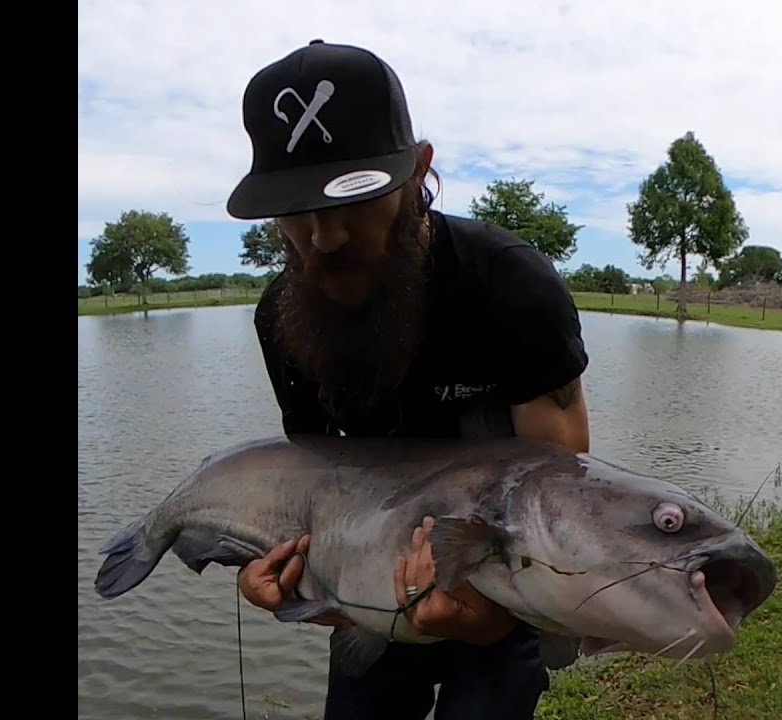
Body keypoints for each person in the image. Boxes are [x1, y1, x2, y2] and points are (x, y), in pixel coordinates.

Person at [224, 39, 591, 720]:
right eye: (296, 211)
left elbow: (559, 497)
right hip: (367, 590)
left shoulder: (511, 285)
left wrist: (491, 616)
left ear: (419, 169)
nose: (323, 238)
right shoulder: (281, 314)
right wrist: (295, 587)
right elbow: (312, 487)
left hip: (502, 593)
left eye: (351, 202)